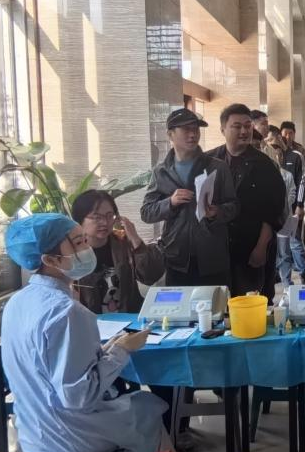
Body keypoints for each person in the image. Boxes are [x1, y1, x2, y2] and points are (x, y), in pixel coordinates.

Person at [1, 213, 167, 452]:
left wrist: (107, 349)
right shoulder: (67, 311)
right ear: (50, 259)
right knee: (148, 407)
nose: (88, 248)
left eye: (85, 240)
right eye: (78, 243)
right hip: (74, 439)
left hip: (35, 436)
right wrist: (121, 350)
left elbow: (49, 368)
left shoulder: (17, 302)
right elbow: (78, 396)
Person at [141, 108, 238, 287]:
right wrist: (170, 202)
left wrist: (216, 212)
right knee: (180, 304)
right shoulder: (161, 172)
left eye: (196, 129)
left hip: (212, 257)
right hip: (176, 258)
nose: (193, 134)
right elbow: (146, 212)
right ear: (170, 134)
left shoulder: (217, 167)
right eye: (186, 129)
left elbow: (234, 207)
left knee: (215, 304)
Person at [207, 104, 286, 299]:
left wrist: (261, 247)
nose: (244, 131)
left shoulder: (264, 165)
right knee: (217, 303)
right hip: (217, 247)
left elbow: (274, 211)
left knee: (251, 302)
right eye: (237, 126)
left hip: (251, 246)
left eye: (248, 126)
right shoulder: (208, 161)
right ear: (223, 129)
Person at [71, 190, 164, 314]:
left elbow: (150, 277)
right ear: (79, 220)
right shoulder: (71, 251)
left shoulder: (122, 242)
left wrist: (135, 239)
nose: (105, 222)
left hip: (129, 317)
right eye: (97, 217)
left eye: (110, 216)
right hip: (92, 320)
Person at [270, 130, 305, 286]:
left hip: (289, 214)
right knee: (281, 250)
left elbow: (299, 185)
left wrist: (296, 205)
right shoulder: (267, 170)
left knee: (294, 243)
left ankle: (304, 274)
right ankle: (285, 280)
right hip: (273, 218)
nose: (276, 155)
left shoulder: (294, 160)